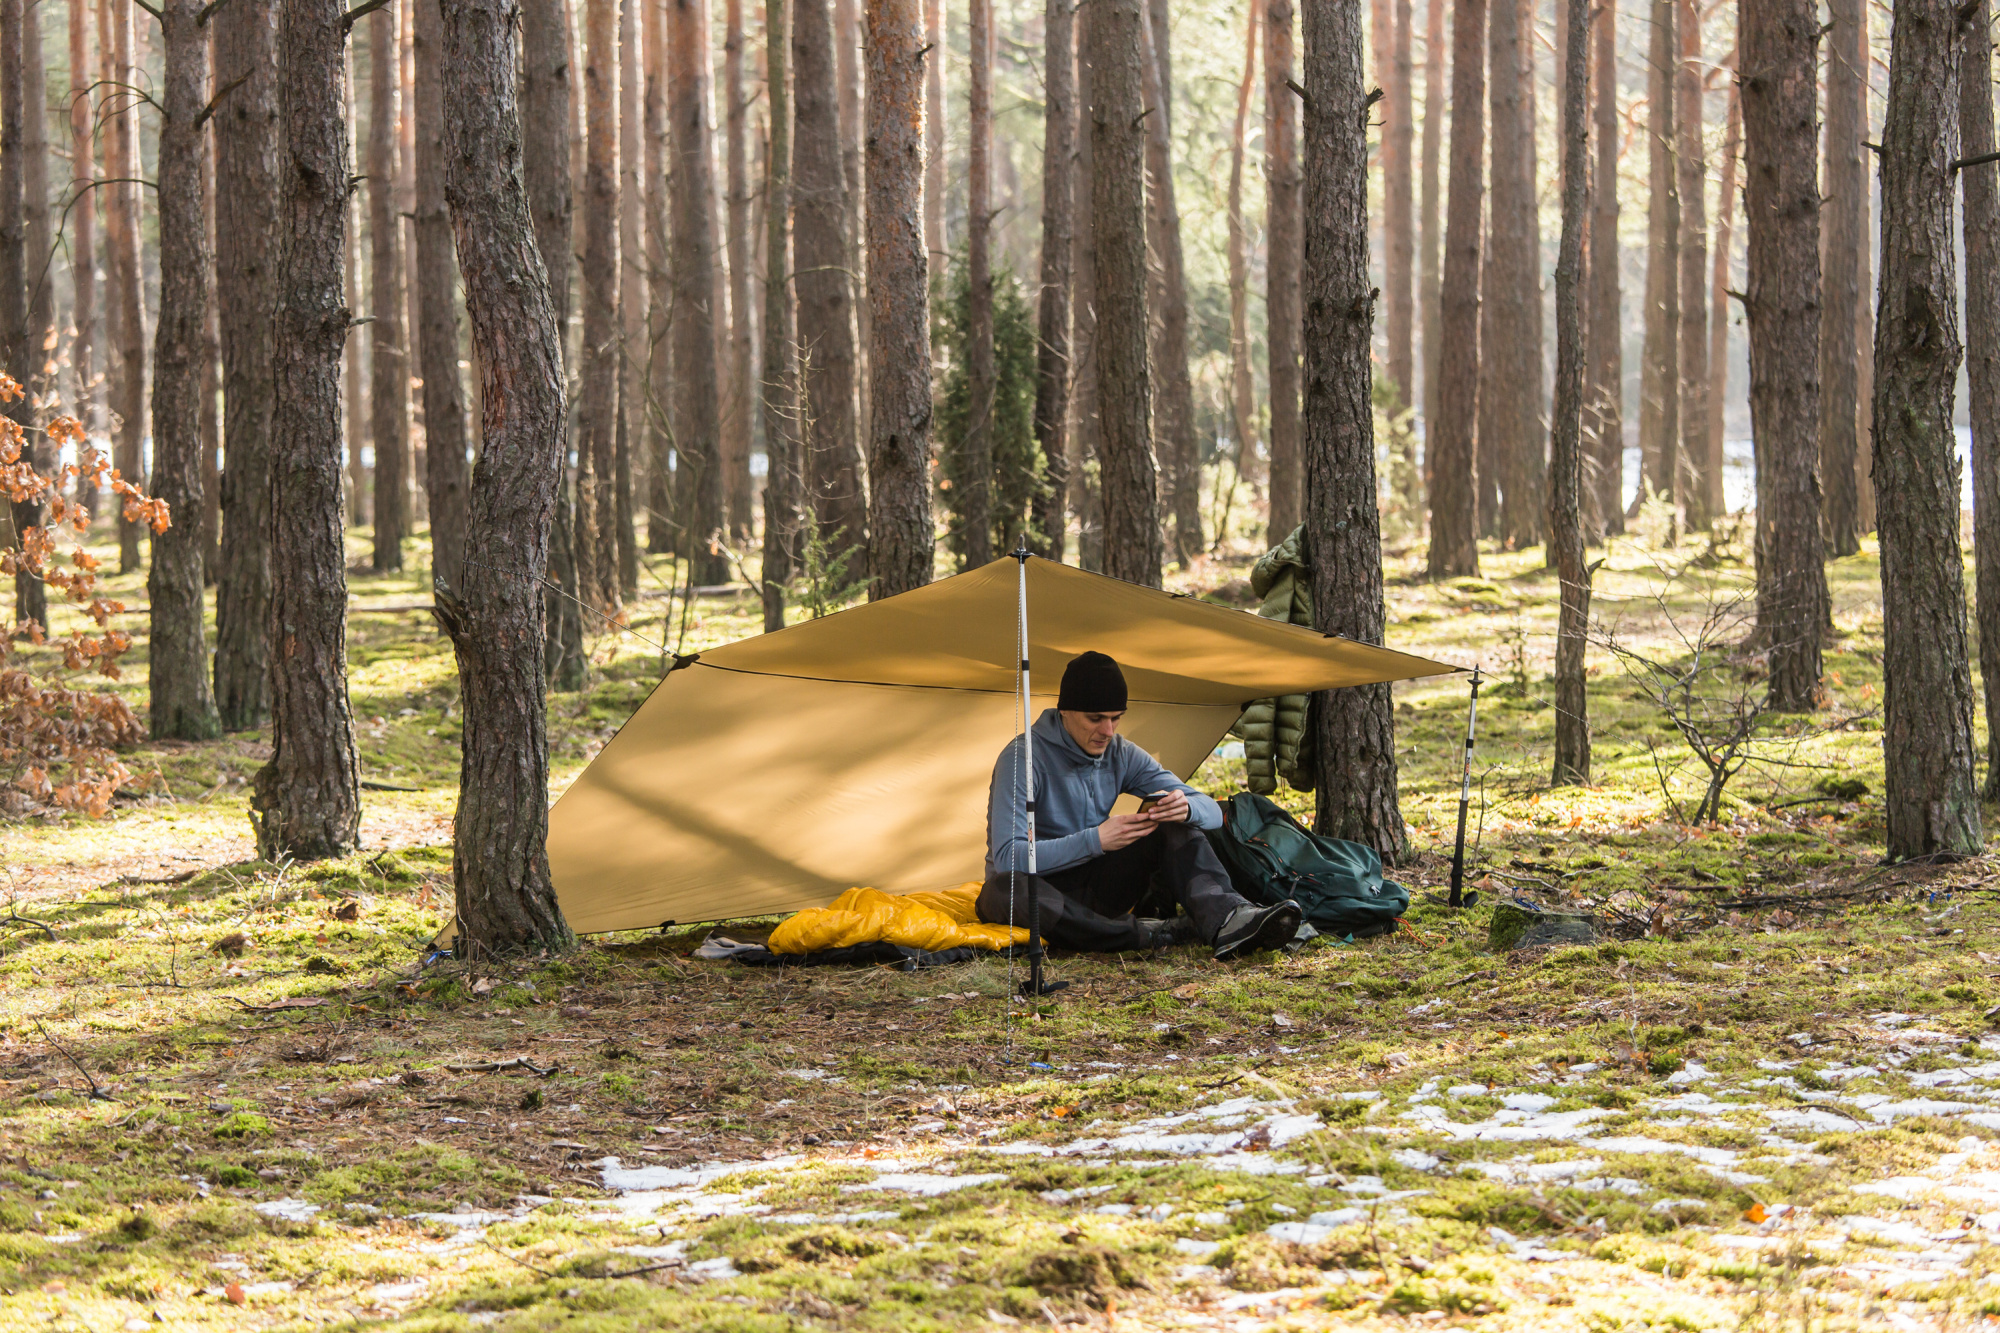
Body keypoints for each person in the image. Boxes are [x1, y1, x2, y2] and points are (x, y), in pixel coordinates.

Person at [979, 650, 1302, 957]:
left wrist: (1185, 808)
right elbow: (1008, 858)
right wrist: (1097, 840)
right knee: (1005, 890)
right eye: (1096, 719)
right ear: (1065, 711)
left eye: (1116, 718)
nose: (1107, 731)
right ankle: (1147, 934)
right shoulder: (1023, 758)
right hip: (1040, 891)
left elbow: (1210, 810)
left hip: (1095, 887)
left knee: (1169, 818)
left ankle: (1229, 918)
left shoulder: (1119, 751)